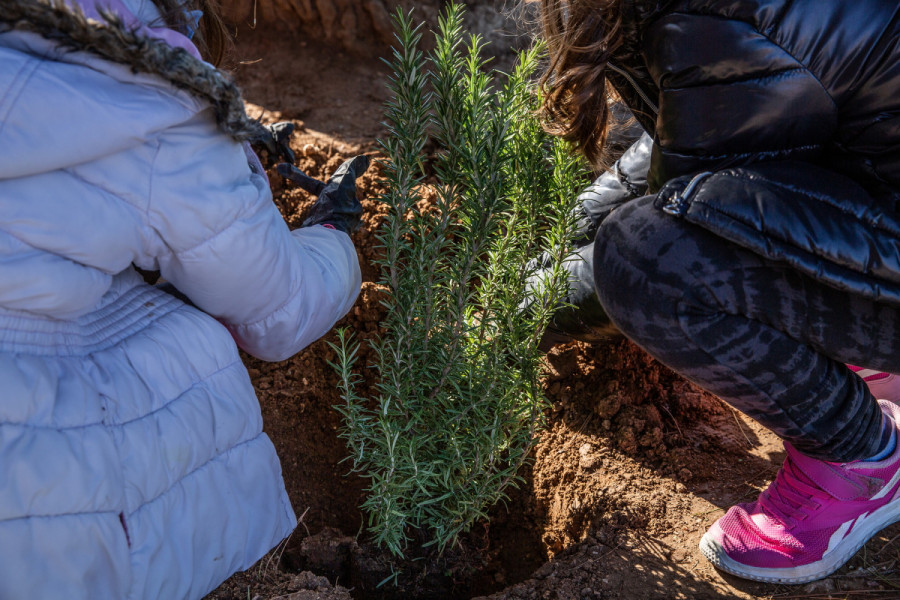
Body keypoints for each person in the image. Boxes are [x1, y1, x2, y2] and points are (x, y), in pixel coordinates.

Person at [0, 1, 367, 598]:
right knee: (181, 333)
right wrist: (332, 235)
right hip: (35, 513)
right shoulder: (144, 94)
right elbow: (277, 311)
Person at [531, 0, 900, 585]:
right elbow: (695, 127)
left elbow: (681, 238)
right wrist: (564, 231)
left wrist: (518, 311)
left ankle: (863, 458)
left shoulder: (708, 23)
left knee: (641, 255)